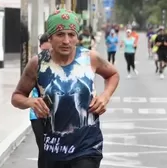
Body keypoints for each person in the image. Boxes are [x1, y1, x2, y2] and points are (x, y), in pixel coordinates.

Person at [11, 9, 120, 168]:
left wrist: (105, 96)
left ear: (77, 37)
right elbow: (17, 97)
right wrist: (31, 102)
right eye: (60, 34)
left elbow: (113, 74)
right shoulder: (38, 64)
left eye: (71, 35)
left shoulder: (89, 58)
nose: (66, 41)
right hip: (53, 148)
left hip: (87, 146)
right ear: (50, 37)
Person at [30, 32, 52, 168]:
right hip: (36, 114)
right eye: (43, 50)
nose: (45, 54)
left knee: (54, 150)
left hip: (56, 115)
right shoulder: (35, 63)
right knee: (43, 149)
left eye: (47, 50)